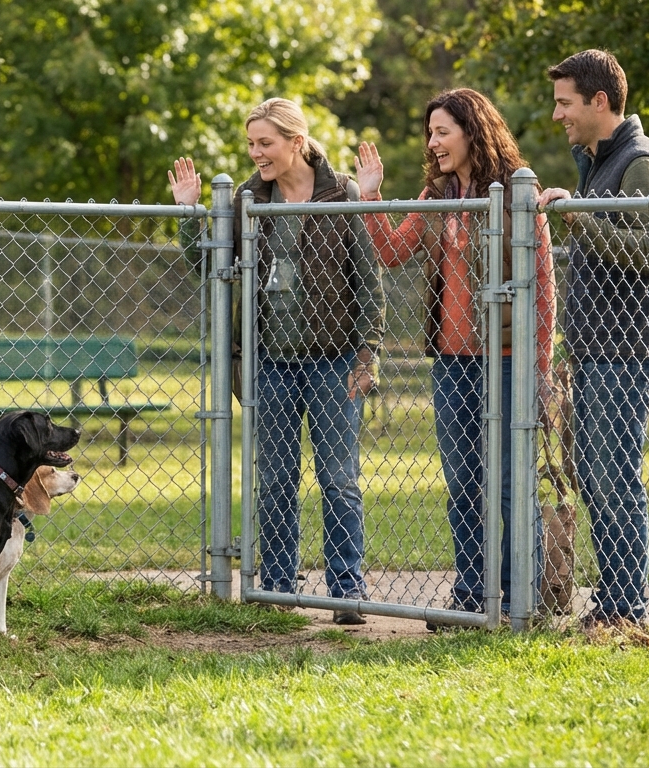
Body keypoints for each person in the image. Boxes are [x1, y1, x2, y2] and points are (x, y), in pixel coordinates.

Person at [169, 98, 385, 625]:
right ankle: (281, 588)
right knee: (278, 477)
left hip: (334, 363)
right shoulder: (246, 199)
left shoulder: (342, 195)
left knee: (338, 477)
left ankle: (346, 590)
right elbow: (206, 263)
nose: (255, 153)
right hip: (270, 363)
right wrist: (188, 213)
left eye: (264, 142)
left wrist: (368, 352)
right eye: (250, 143)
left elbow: (370, 281)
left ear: (296, 141)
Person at [355, 88, 555, 626]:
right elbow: (392, 252)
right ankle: (471, 595)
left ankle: (520, 598)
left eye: (443, 130)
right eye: (430, 132)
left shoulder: (517, 191)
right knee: (463, 481)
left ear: (473, 131)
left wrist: (541, 368)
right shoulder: (438, 193)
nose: (433, 141)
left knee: (512, 482)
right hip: (453, 362)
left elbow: (543, 284)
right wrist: (370, 197)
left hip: (511, 359)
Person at [537, 49, 649, 629]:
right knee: (594, 476)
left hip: (629, 348)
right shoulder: (595, 158)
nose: (556, 115)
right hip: (595, 346)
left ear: (601, 101)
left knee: (614, 475)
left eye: (564, 103)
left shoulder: (642, 162)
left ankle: (627, 610)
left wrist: (580, 215)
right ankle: (613, 606)